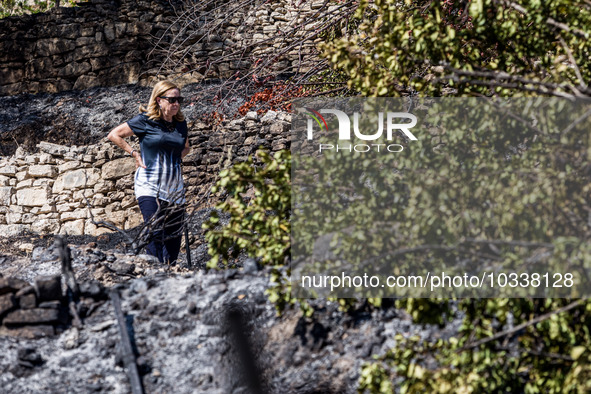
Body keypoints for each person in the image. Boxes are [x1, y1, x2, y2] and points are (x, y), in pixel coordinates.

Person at [107, 80, 191, 264]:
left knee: (174, 239)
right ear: (159, 100)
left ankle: (171, 277)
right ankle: (154, 275)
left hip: (175, 189)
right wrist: (134, 153)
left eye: (179, 99)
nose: (176, 103)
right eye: (171, 100)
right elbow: (114, 135)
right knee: (154, 231)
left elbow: (186, 147)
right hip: (149, 185)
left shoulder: (180, 124)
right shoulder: (145, 121)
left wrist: (174, 158)